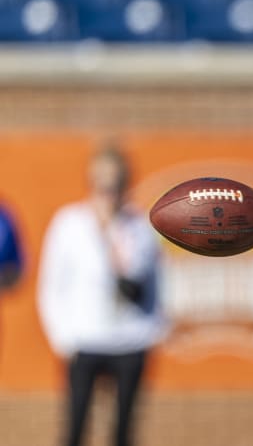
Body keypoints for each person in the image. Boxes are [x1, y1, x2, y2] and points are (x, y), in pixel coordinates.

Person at [37, 144, 166, 446]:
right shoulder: (70, 223)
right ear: (92, 181)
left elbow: (156, 281)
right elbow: (51, 285)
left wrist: (154, 328)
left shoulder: (139, 226)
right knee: (76, 427)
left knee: (123, 431)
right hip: (85, 340)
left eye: (117, 182)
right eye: (103, 183)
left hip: (131, 340)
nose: (110, 191)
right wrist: (63, 338)